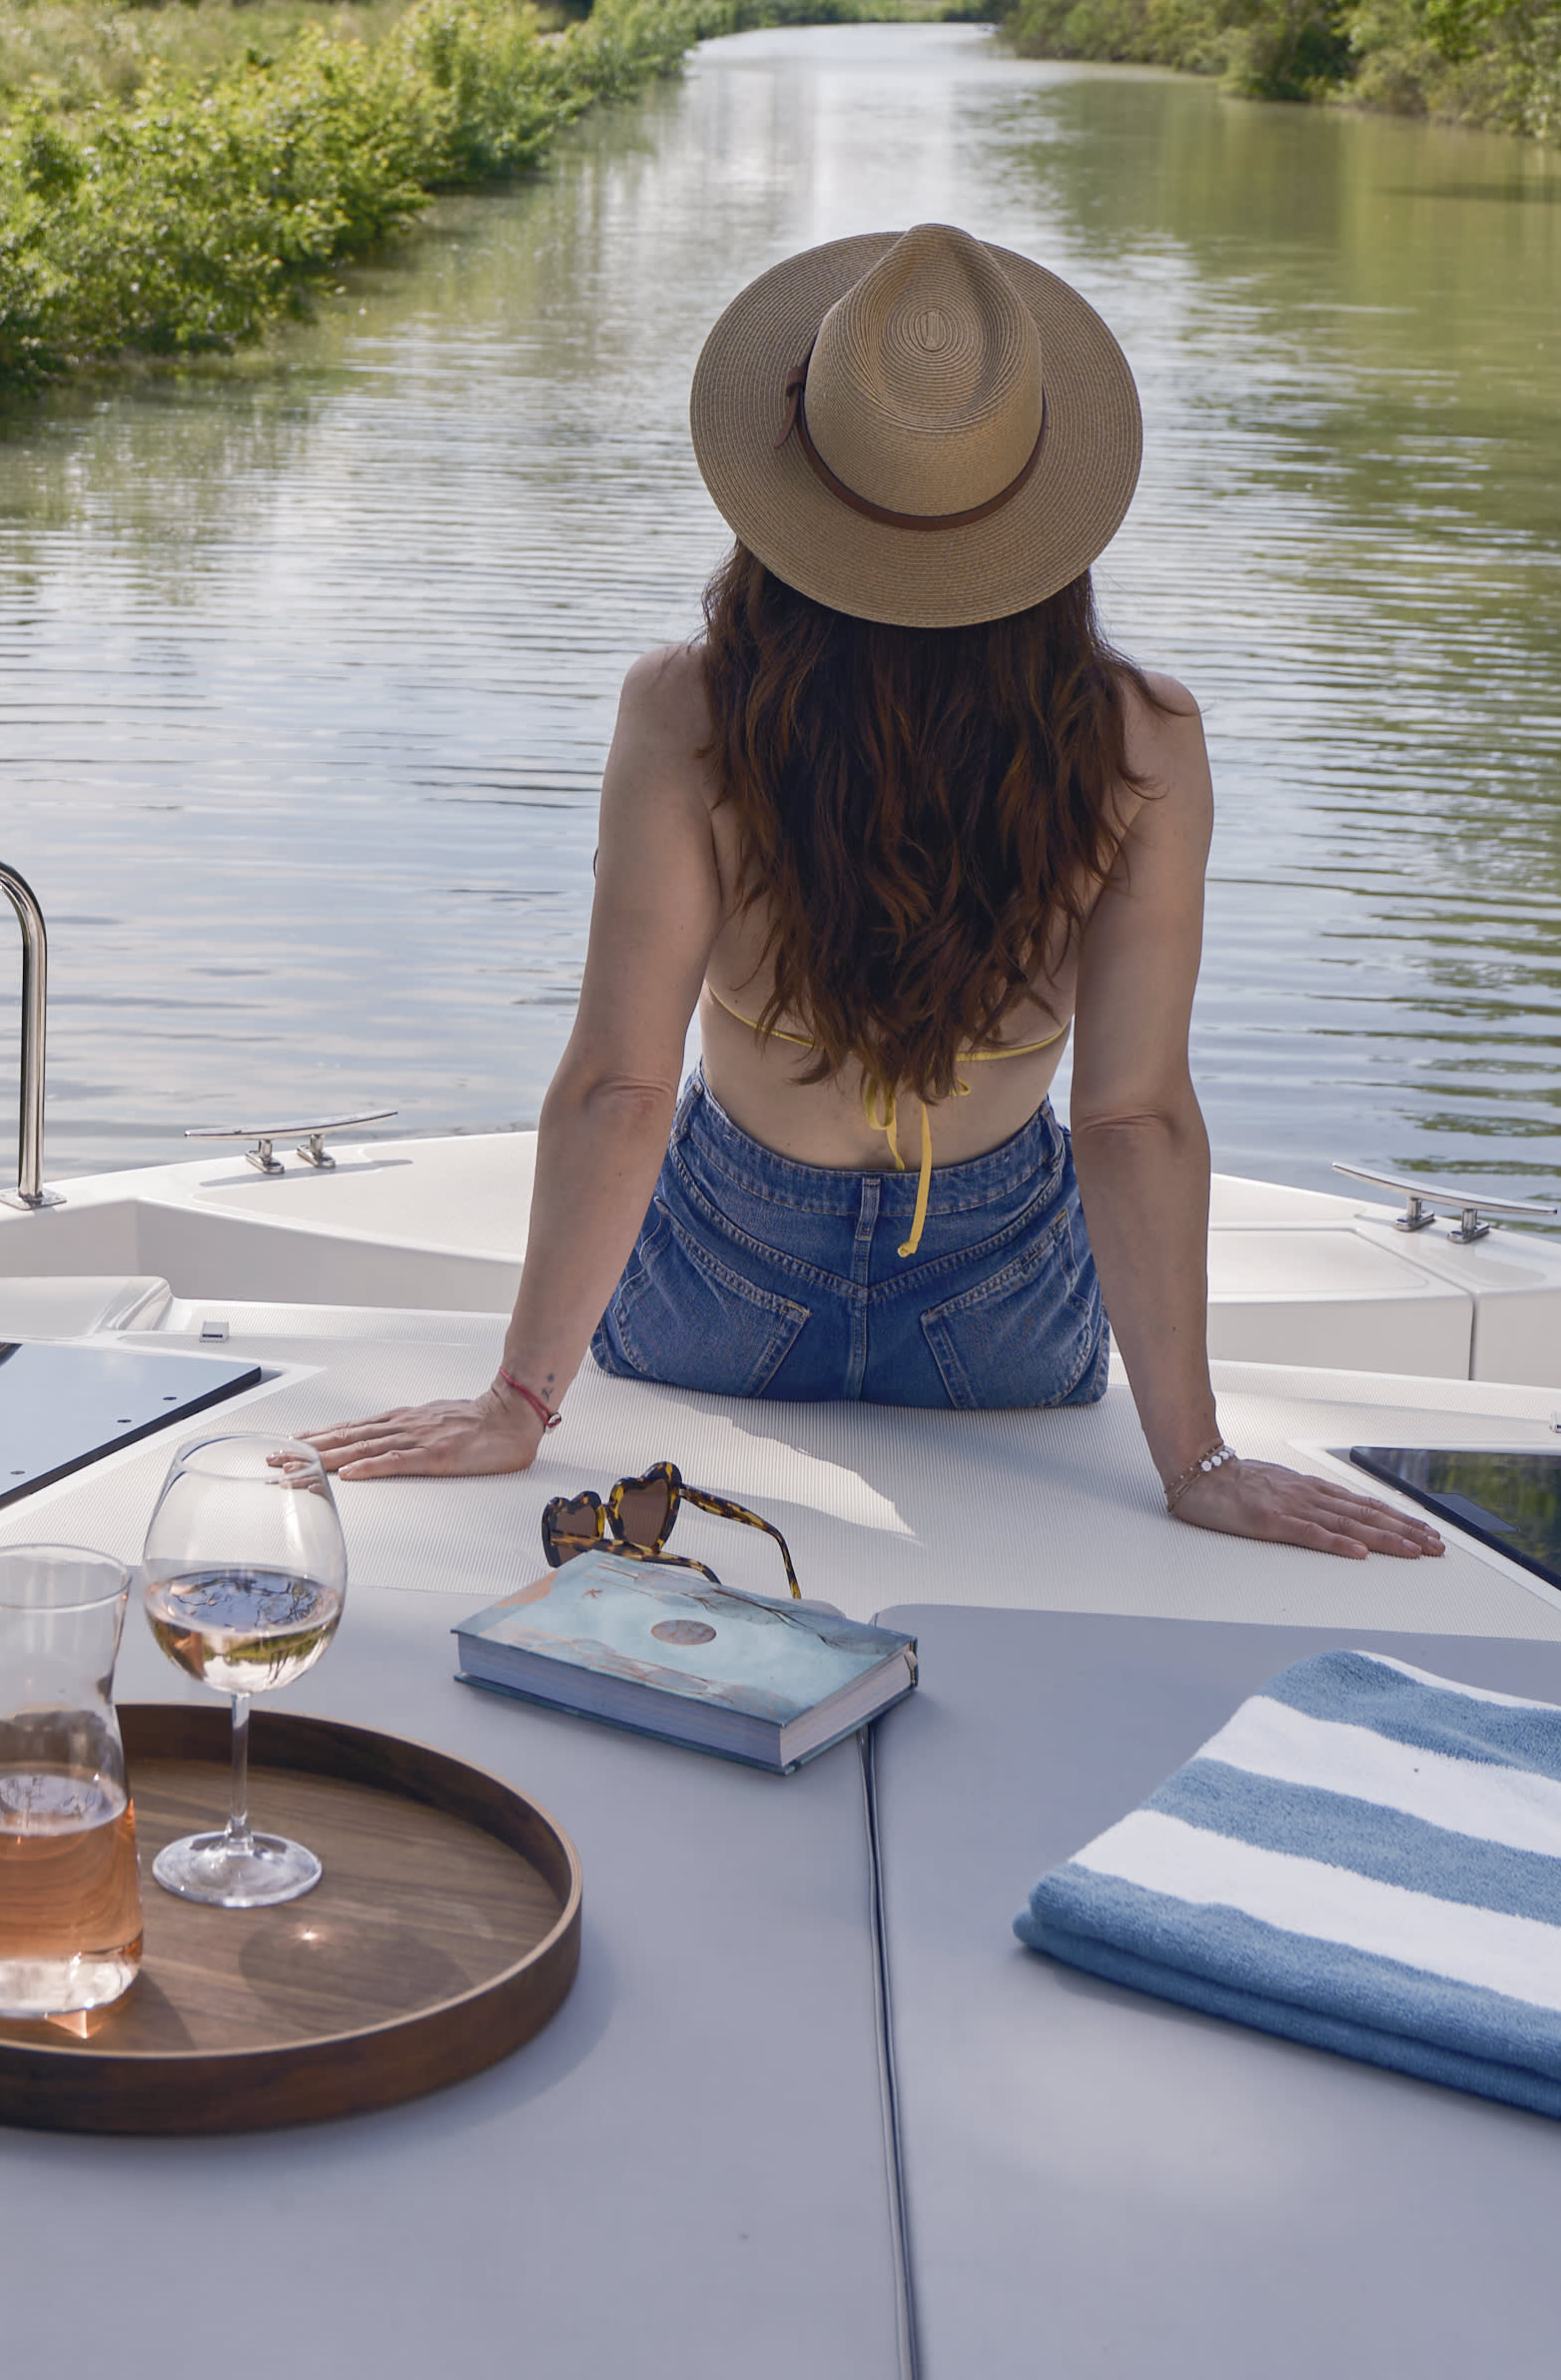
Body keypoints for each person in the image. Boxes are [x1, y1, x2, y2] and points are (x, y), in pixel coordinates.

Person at [299, 222, 1442, 1560]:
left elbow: (619, 1081)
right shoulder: (1142, 739)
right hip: (999, 1303)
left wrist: (516, 1404)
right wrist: (1193, 1461)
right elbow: (1130, 1118)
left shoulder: (685, 710)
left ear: (782, 479)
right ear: (1043, 504)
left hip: (720, 1283)